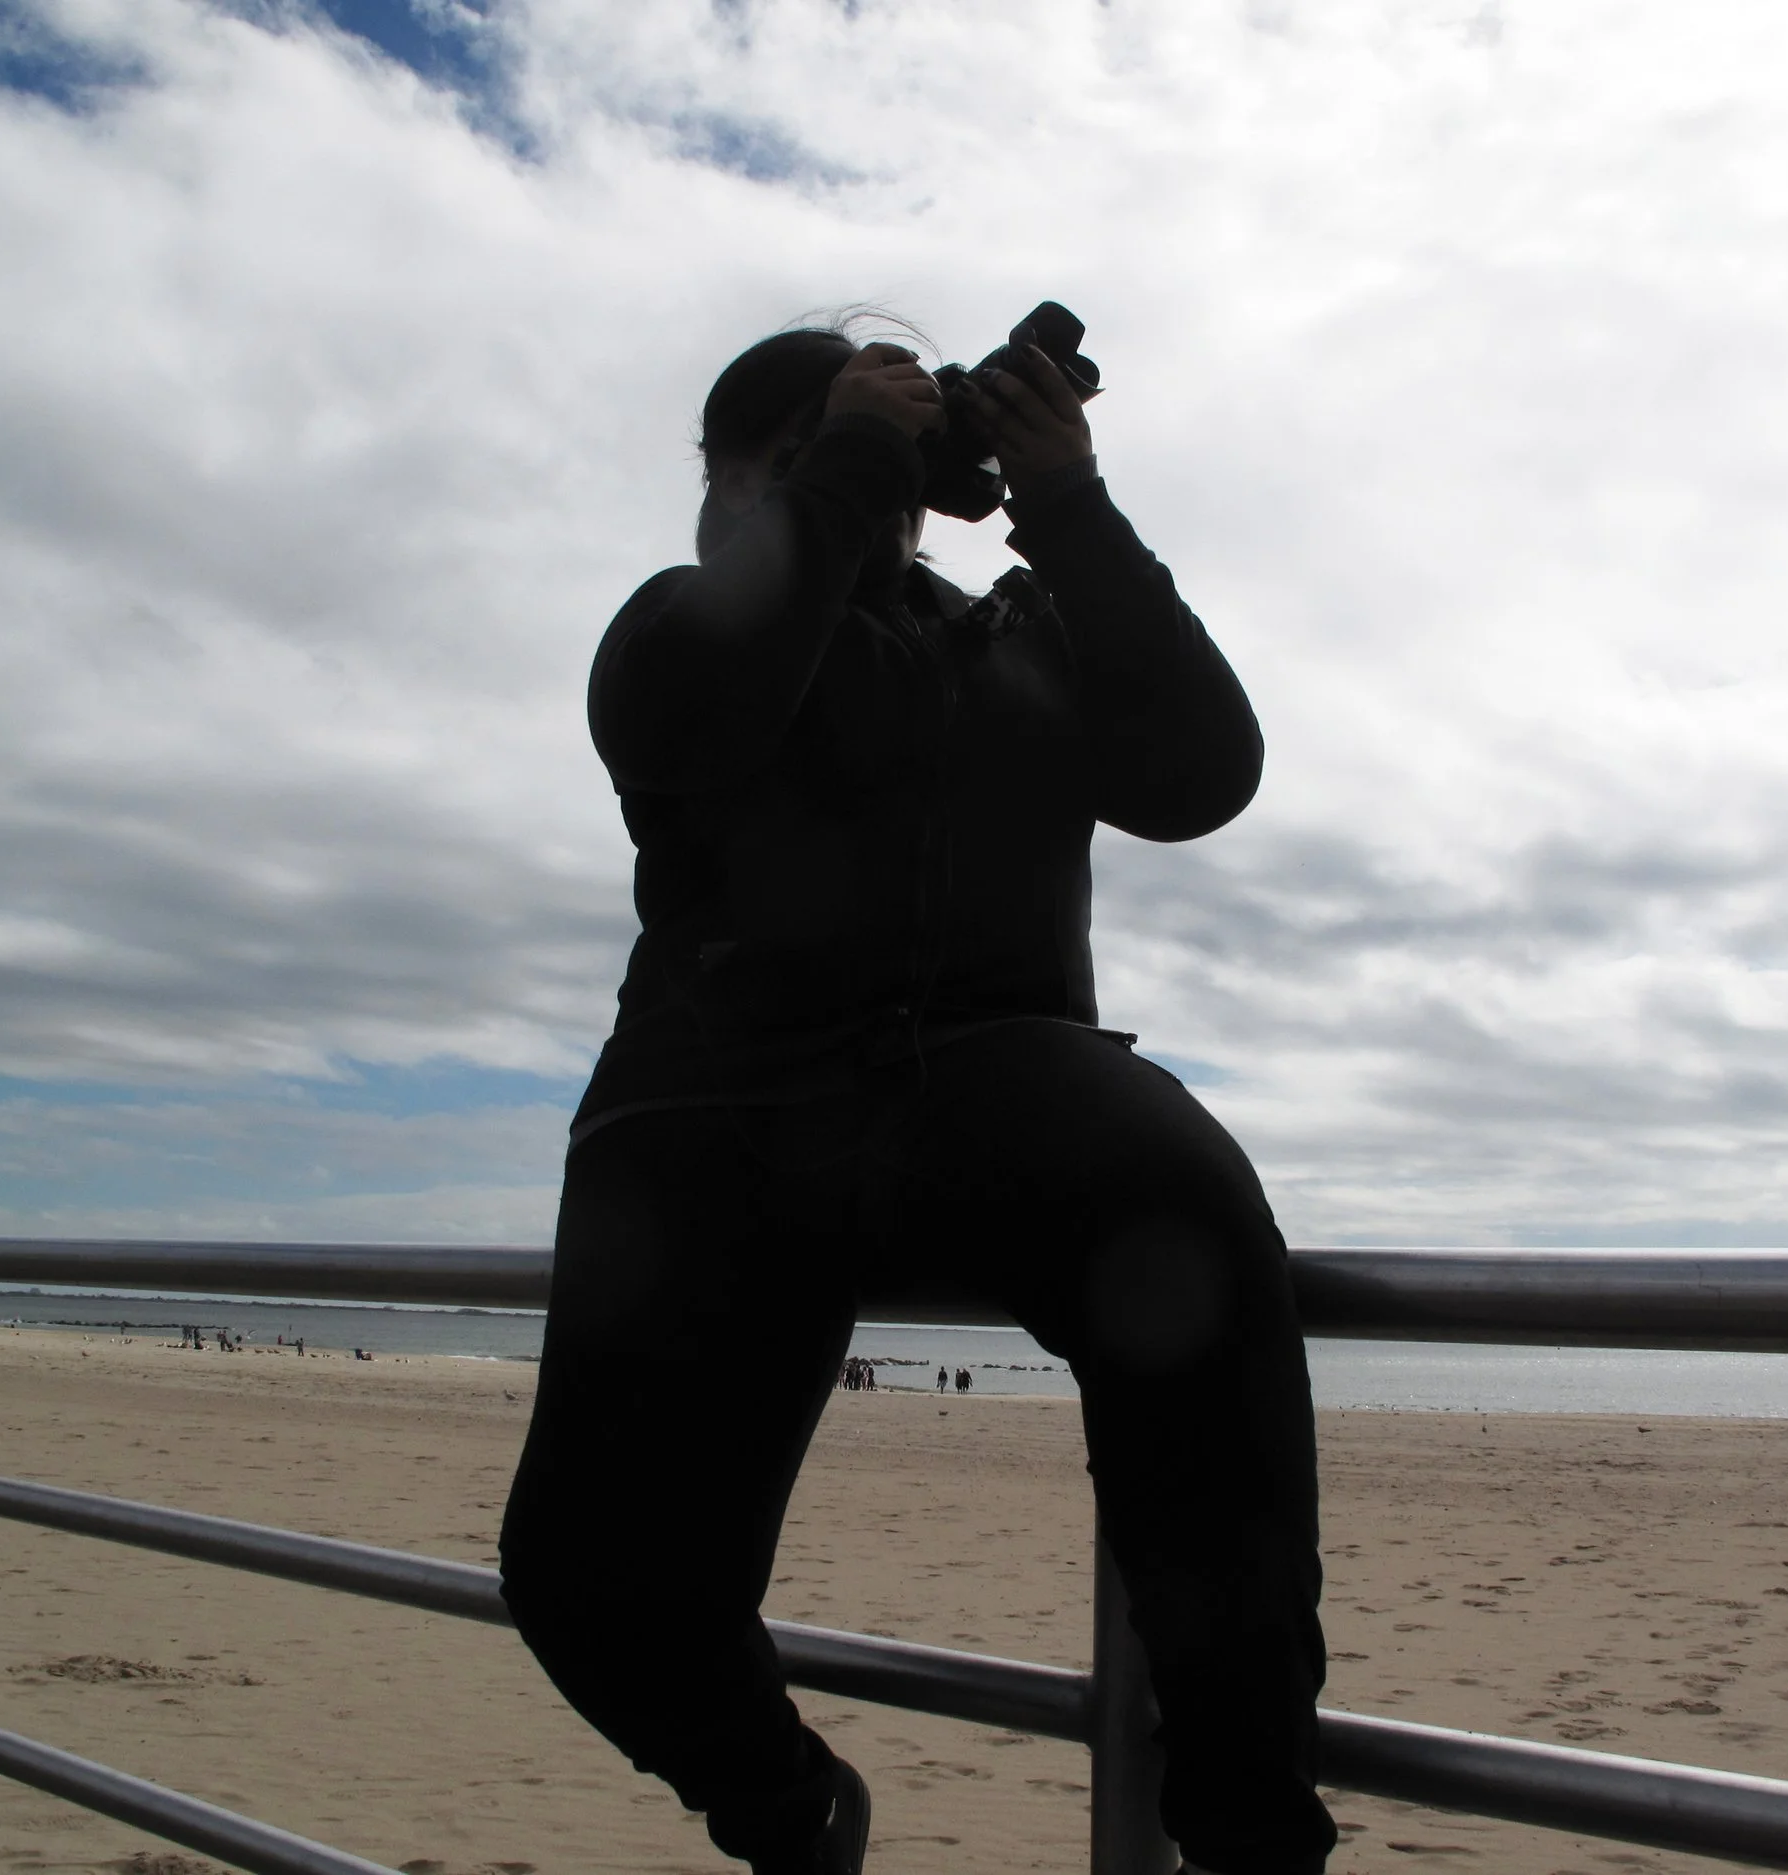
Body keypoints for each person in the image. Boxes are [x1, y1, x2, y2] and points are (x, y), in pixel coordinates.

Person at [497, 314, 1332, 1875]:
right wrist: (853, 461)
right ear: (736, 472)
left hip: (997, 1070)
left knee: (1194, 1217)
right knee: (589, 1577)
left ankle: (1245, 1829)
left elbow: (1203, 774)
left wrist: (1068, 503)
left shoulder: (1024, 634)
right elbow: (685, 718)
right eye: (802, 447)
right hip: (714, 1104)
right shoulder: (690, 621)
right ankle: (787, 1801)